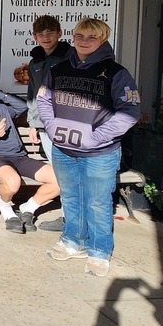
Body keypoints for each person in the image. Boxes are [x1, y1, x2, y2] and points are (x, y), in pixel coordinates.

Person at [37, 18, 141, 278]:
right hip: (63, 149)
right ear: (72, 37)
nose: (84, 40)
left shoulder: (117, 73)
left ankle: (98, 252)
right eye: (80, 35)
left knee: (97, 203)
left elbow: (130, 112)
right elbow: (43, 101)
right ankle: (74, 242)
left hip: (99, 153)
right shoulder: (58, 69)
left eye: (92, 37)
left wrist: (96, 137)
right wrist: (52, 128)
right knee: (70, 197)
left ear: (103, 39)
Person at [0, 78, 62, 233]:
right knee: (13, 182)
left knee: (59, 179)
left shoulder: (3, 108)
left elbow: (23, 106)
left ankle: (28, 207)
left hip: (19, 157)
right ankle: (5, 206)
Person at [25, 15, 73, 232]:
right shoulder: (35, 62)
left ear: (59, 34)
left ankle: (70, 218)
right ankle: (68, 215)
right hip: (45, 127)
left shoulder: (71, 57)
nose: (46, 37)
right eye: (41, 34)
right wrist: (33, 125)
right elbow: (33, 95)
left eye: (50, 32)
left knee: (69, 170)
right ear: (35, 37)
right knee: (59, 170)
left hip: (66, 124)